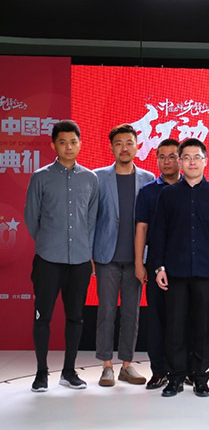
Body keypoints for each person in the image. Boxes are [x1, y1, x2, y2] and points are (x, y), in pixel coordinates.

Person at [152, 138, 209, 398]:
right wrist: (159, 267)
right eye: (186, 157)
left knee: (203, 327)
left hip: (206, 272)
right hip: (174, 271)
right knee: (175, 326)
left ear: (205, 160)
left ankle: (199, 376)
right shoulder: (168, 194)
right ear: (180, 162)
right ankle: (175, 377)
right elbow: (159, 233)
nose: (192, 162)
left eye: (197, 157)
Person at [24, 120, 99, 392]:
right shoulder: (41, 177)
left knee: (75, 317)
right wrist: (48, 242)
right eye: (63, 142)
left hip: (79, 260)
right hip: (47, 259)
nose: (68, 147)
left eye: (73, 142)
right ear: (53, 145)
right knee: (42, 316)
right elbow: (31, 217)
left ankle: (69, 372)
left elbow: (91, 219)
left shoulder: (90, 179)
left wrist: (85, 249)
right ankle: (41, 373)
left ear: (80, 144)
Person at [94, 124, 155, 387]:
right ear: (111, 147)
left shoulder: (148, 178)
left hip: (136, 260)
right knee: (106, 312)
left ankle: (127, 365)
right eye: (119, 143)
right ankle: (106, 366)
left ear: (137, 146)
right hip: (106, 256)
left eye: (129, 142)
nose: (124, 148)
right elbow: (91, 217)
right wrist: (91, 255)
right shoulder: (98, 177)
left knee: (132, 313)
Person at [134, 138, 182, 390]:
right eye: (161, 157)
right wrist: (139, 263)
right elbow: (141, 228)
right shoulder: (148, 191)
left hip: (186, 262)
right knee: (157, 319)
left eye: (172, 156)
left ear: (181, 159)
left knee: (183, 318)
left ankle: (182, 370)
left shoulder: (191, 188)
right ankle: (159, 370)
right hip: (155, 261)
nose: (167, 161)